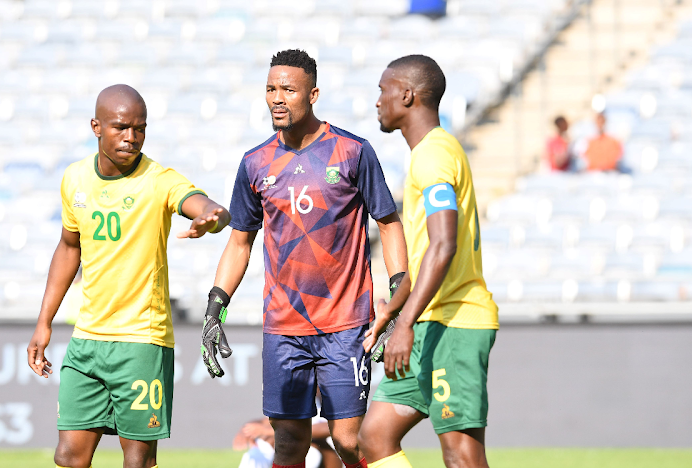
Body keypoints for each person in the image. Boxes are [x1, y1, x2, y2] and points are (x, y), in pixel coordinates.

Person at [201, 49, 408, 468]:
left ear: (312, 94)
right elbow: (240, 242)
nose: (277, 98)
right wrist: (214, 307)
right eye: (271, 89)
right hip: (284, 327)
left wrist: (397, 298)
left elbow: (388, 224)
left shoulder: (353, 151)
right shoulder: (254, 163)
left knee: (350, 441)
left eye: (288, 90)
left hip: (345, 323)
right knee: (289, 443)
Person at [26, 84, 230, 468]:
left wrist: (213, 217)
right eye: (121, 127)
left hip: (142, 341)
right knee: (68, 457)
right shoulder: (74, 179)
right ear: (96, 126)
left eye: (140, 128)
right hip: (87, 340)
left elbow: (205, 205)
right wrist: (44, 322)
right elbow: (70, 248)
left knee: (138, 461)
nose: (131, 137)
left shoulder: (158, 180)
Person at [358, 55, 499, 468]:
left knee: (461, 455)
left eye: (383, 90)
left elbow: (444, 245)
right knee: (375, 437)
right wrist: (392, 314)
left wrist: (403, 324)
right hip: (425, 325)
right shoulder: (425, 154)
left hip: (455, 324)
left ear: (407, 94)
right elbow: (424, 260)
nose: (378, 101)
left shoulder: (435, 155)